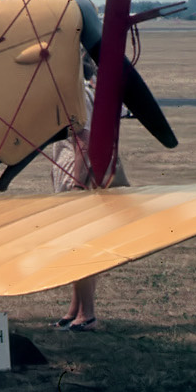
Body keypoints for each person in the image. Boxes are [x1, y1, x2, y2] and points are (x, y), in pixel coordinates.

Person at [48, 58, 128, 332]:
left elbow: (83, 140)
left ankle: (88, 314)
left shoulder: (77, 93)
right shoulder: (79, 91)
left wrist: (77, 185)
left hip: (77, 172)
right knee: (77, 245)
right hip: (74, 169)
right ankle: (75, 310)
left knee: (78, 246)